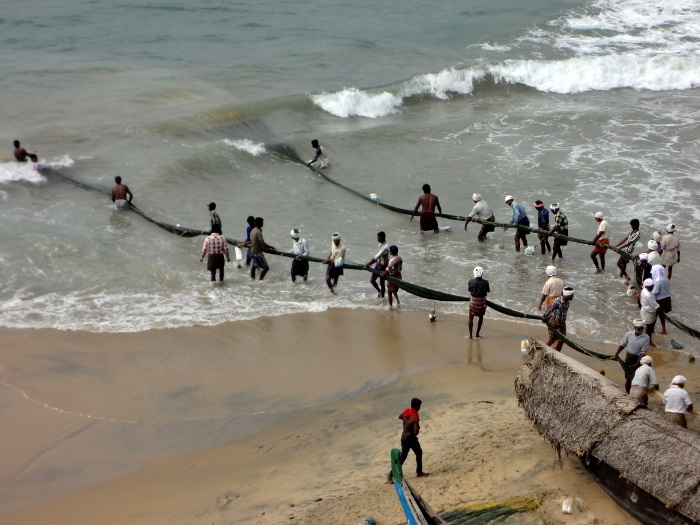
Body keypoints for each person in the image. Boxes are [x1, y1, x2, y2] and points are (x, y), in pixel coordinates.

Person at [387, 398, 429, 483]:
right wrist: (416, 424)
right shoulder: (415, 417)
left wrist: (407, 422)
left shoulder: (406, 411)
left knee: (403, 456)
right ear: (418, 407)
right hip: (410, 438)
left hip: (403, 436)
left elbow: (400, 416)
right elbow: (416, 432)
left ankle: (391, 473)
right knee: (418, 452)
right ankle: (419, 473)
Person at [613, 319, 650, 393]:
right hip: (629, 357)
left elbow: (642, 353)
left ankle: (635, 393)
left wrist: (637, 364)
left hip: (639, 358)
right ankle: (628, 393)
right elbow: (623, 344)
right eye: (638, 328)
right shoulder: (628, 334)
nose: (640, 330)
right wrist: (616, 354)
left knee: (638, 378)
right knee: (628, 378)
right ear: (634, 327)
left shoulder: (646, 338)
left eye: (641, 328)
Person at [542, 287, 574, 351]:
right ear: (567, 295)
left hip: (562, 323)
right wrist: (544, 318)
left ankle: (557, 353)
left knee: (562, 340)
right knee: (552, 340)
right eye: (571, 295)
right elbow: (549, 310)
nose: (572, 297)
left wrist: (561, 326)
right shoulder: (557, 301)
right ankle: (541, 350)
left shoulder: (567, 302)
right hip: (554, 322)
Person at [364, 232, 389, 298]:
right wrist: (373, 263)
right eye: (377, 237)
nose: (377, 239)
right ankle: (379, 291)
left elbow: (376, 256)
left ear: (383, 238)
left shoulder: (385, 247)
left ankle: (382, 298)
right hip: (378, 264)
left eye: (379, 238)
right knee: (372, 280)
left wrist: (368, 264)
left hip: (383, 267)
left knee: (382, 283)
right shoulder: (380, 243)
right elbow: (378, 257)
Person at [467, 266, 490, 340]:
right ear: (482, 273)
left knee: (471, 317)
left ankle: (470, 336)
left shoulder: (470, 281)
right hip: (481, 304)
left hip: (473, 303)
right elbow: (487, 291)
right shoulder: (486, 282)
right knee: (481, 317)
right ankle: (477, 334)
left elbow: (469, 290)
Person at [381, 245, 403, 310]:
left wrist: (383, 274)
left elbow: (388, 269)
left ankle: (390, 306)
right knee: (393, 290)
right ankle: (398, 301)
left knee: (390, 291)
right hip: (399, 275)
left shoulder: (392, 260)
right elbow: (400, 268)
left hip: (393, 277)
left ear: (391, 252)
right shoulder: (399, 258)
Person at [640, 278, 659, 347]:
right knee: (649, 327)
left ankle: (647, 339)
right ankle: (649, 342)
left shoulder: (643, 290)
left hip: (644, 310)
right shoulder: (649, 295)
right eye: (651, 286)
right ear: (647, 286)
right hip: (648, 313)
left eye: (653, 286)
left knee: (649, 327)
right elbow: (655, 305)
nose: (653, 287)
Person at [653, 267, 672, 335]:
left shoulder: (658, 281)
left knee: (655, 315)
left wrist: (647, 292)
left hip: (660, 300)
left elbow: (656, 291)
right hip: (667, 298)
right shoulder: (666, 279)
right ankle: (664, 329)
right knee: (662, 315)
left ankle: (652, 329)